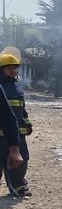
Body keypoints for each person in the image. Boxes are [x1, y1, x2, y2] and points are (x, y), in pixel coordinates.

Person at [1, 52, 31, 197]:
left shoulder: (17, 88)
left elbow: (21, 109)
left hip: (17, 134)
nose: (14, 71)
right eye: (10, 68)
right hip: (1, 136)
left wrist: (27, 123)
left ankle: (18, 186)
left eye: (15, 67)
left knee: (21, 160)